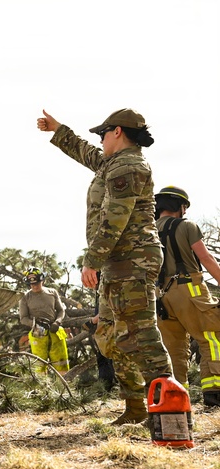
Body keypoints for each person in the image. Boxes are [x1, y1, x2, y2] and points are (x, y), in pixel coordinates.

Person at [37, 108, 178, 425]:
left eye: (103, 134)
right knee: (111, 335)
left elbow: (117, 218)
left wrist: (92, 260)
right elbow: (86, 153)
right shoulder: (113, 163)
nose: (99, 140)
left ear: (118, 132)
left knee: (142, 335)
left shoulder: (129, 166)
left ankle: (170, 413)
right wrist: (59, 131)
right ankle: (136, 408)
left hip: (134, 260)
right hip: (119, 261)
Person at [154, 186, 220, 407]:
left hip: (160, 297)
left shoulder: (148, 231)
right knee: (211, 338)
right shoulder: (187, 226)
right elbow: (206, 257)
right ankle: (215, 393)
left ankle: (175, 398)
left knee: (174, 349)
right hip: (189, 289)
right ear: (179, 206)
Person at [19, 268, 69, 374]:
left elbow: (61, 310)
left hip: (55, 330)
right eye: (31, 284)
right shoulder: (25, 297)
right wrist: (35, 324)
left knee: (61, 363)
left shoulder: (52, 292)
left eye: (36, 283)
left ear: (42, 281)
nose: (34, 286)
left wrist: (57, 322)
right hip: (38, 332)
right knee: (39, 366)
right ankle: (41, 389)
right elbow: (23, 318)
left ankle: (64, 387)